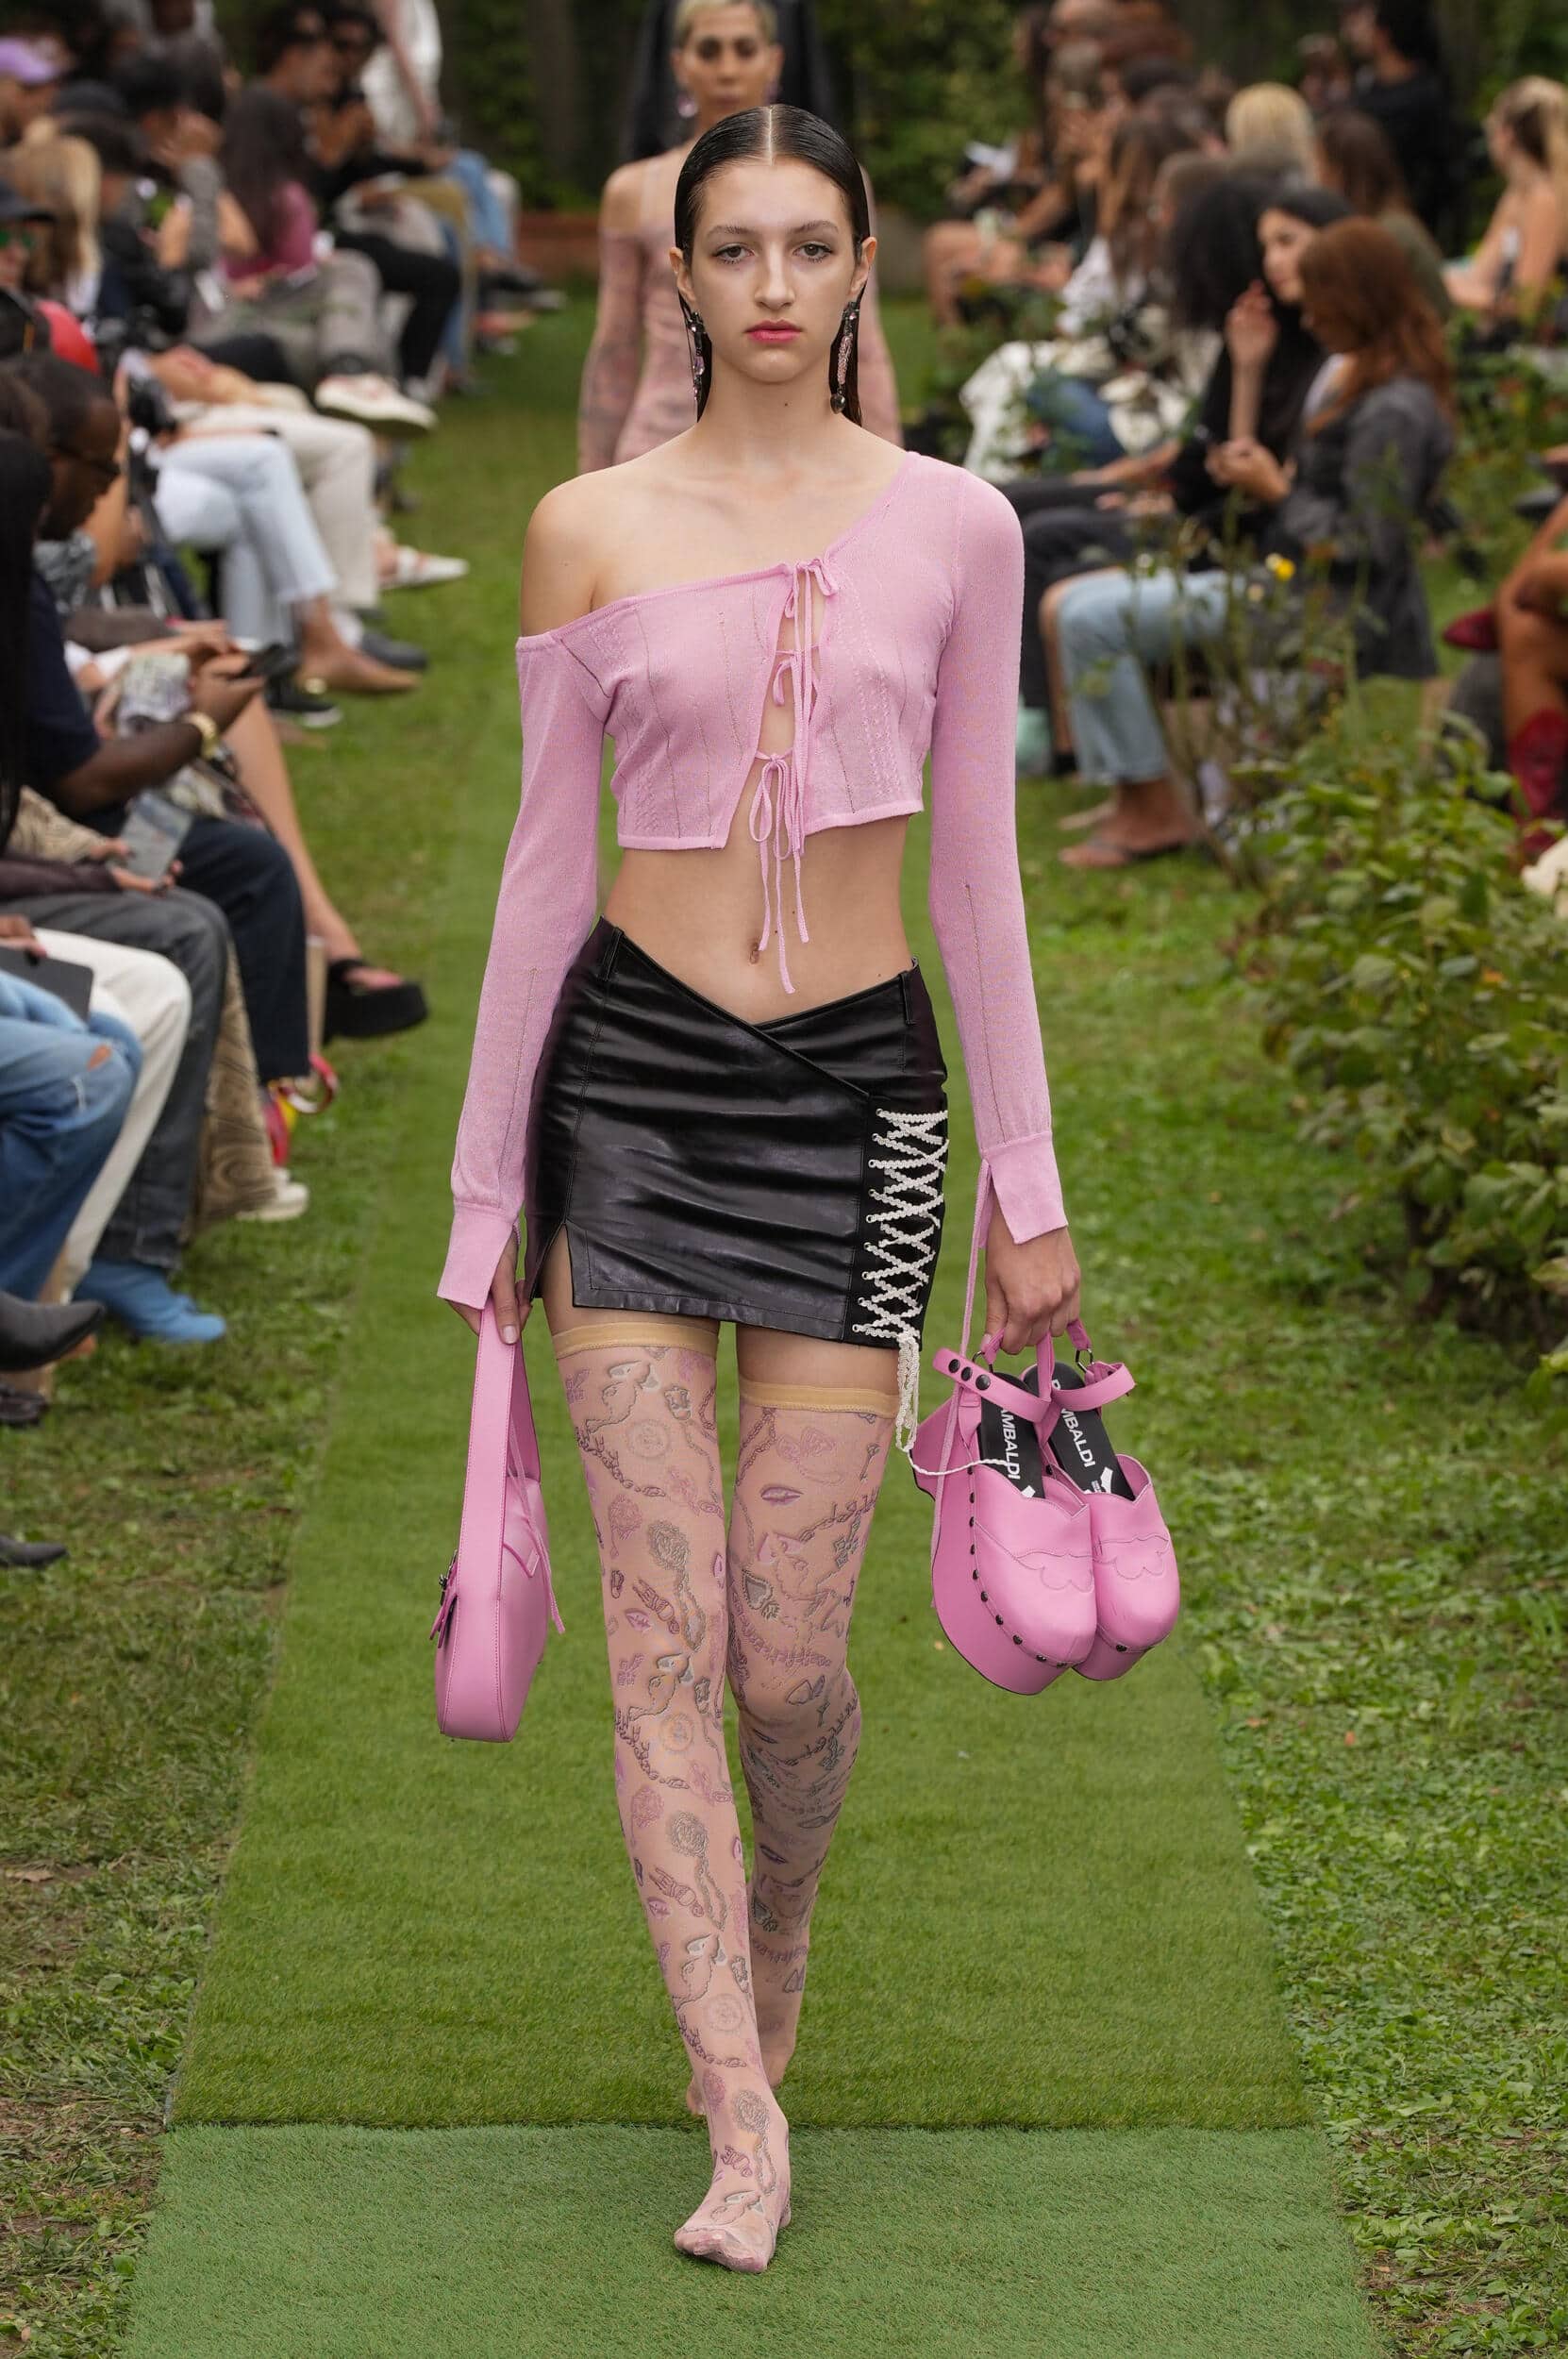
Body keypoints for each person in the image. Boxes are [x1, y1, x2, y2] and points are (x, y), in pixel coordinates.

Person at [438, 102, 1078, 2273]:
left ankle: (774, 1939)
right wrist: (488, 1194)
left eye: (814, 244)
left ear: (866, 263)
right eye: (737, 248)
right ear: (682, 274)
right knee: (660, 1639)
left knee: (786, 1663)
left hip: (859, 1112)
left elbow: (980, 874)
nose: (777, 284)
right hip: (628, 1096)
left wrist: (1024, 1184)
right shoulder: (587, 527)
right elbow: (543, 878)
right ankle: (738, 2108)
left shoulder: (960, 525)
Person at [1050, 215, 1452, 864]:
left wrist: (1279, 492)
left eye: (1321, 302)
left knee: (1092, 621)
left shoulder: (1394, 408)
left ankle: (1153, 813)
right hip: (1281, 583)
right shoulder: (1359, 379)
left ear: (1358, 299)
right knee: (1079, 608)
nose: (1310, 318)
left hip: (1321, 611)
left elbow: (1366, 545)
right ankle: (1143, 800)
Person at [577, 0, 901, 471]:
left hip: (804, 453)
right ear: (679, 65)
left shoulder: (834, 182)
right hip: (660, 442)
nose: (727, 71)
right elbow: (614, 346)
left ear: (774, 60)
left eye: (744, 50)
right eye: (709, 51)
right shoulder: (636, 191)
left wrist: (890, 470)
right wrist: (593, 476)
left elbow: (863, 340)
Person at [1443, 79, 1568, 331]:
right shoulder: (1516, 195)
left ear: (1506, 134)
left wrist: (1443, 287)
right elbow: (1481, 275)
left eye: (1491, 125)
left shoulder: (1546, 199)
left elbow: (1524, 305)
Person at [1339, 0, 1460, 243]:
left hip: (1412, 222)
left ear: (1384, 31)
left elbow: (1444, 173)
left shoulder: (1425, 94)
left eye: (1362, 20)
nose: (1352, 33)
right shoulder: (1364, 90)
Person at [1312, 105, 1450, 318]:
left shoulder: (1382, 234)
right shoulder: (1390, 220)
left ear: (1338, 171)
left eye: (1318, 162)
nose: (1314, 175)